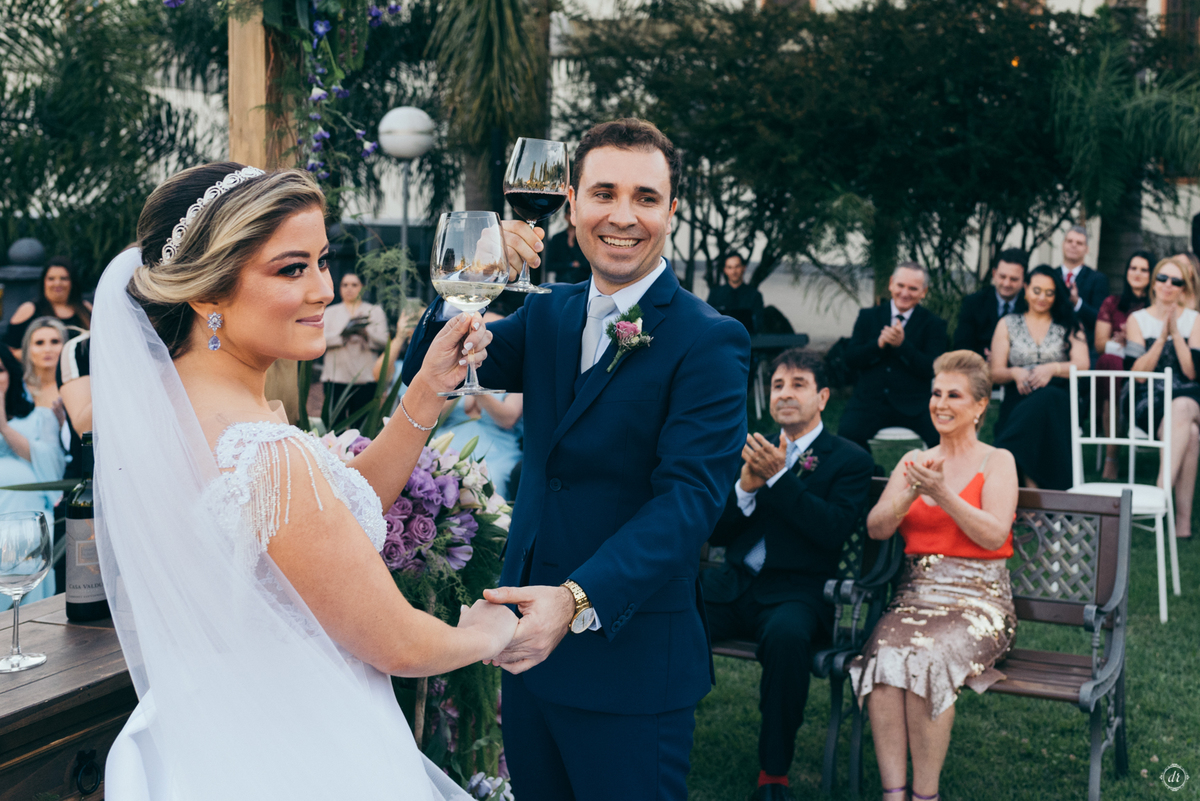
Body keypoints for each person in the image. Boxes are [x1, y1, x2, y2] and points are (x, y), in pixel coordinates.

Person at [91, 163, 518, 800]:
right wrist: (490, 631)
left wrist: (427, 389)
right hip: (304, 747)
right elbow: (398, 644)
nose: (323, 290)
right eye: (291, 269)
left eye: (322, 261)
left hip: (215, 734)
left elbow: (323, 523)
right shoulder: (264, 454)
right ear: (207, 293)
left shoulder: (173, 407)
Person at [403, 118, 751, 801]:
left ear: (672, 211)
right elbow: (433, 367)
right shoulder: (549, 313)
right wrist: (475, 278)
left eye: (646, 198)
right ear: (571, 203)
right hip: (527, 660)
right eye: (604, 193)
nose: (623, 216)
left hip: (631, 665)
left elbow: (688, 503)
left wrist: (574, 600)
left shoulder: (710, 340)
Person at [703, 349, 873, 801]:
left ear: (823, 397)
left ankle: (773, 772)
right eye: (778, 385)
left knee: (786, 638)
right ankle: (657, 724)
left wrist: (780, 479)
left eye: (798, 384)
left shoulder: (850, 460)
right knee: (671, 611)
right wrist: (745, 488)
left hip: (798, 593)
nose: (785, 394)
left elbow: (831, 531)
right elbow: (716, 533)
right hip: (735, 584)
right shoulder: (753, 448)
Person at [852, 350, 1019, 801]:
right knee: (884, 657)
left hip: (979, 602)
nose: (940, 404)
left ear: (980, 405)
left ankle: (926, 795)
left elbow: (994, 534)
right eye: (936, 393)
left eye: (953, 395)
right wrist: (910, 493)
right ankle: (894, 794)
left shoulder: (997, 461)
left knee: (928, 660)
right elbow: (876, 527)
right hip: (915, 598)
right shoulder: (915, 460)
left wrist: (943, 495)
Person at [990, 266, 1089, 489]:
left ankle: (1021, 475)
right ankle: (1033, 488)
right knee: (1029, 414)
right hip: (1019, 395)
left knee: (1047, 398)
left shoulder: (1069, 323)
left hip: (1058, 397)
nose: (1042, 298)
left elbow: (1083, 364)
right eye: (1036, 290)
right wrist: (1014, 372)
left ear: (1056, 295)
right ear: (1025, 289)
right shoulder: (1007, 323)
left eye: (1049, 293)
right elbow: (995, 372)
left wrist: (1053, 368)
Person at [1123, 255, 1200, 538]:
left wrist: (1176, 334)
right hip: (1149, 396)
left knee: (1182, 406)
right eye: (1162, 278)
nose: (1168, 285)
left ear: (1184, 287)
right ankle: (1182, 523)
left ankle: (1159, 493)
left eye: (1176, 281)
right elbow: (1137, 375)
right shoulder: (1137, 320)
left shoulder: (1195, 320)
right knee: (1192, 435)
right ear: (1153, 283)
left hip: (1187, 394)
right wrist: (1159, 339)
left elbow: (1191, 373)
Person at [839, 262, 948, 451]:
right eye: (900, 286)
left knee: (944, 438)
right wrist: (878, 345)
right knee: (847, 436)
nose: (905, 293)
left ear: (923, 292)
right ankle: (871, 469)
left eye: (913, 288)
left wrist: (902, 346)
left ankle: (927, 470)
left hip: (914, 405)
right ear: (891, 284)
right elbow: (850, 359)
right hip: (869, 403)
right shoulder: (868, 316)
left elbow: (932, 368)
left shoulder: (933, 324)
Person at [0, 344, 66, 611]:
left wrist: (4, 427)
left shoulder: (39, 417)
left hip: (26, 520)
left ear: (11, 374)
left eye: (0, 370)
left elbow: (53, 468)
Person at [1095, 251, 1153, 479]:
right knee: (1110, 363)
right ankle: (1112, 456)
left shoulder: (1156, 305)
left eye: (1144, 269)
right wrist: (1120, 342)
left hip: (1147, 368)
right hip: (1116, 366)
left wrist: (1135, 340)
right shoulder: (1112, 303)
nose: (1137, 273)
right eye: (1133, 268)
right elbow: (1100, 344)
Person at [322, 271, 389, 427]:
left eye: (354, 285)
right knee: (334, 425)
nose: (349, 289)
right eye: (345, 285)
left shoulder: (374, 311)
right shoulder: (330, 312)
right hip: (335, 377)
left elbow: (385, 341)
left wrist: (366, 334)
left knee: (362, 426)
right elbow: (320, 340)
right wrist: (343, 334)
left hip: (366, 377)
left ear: (362, 288)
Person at [4, 257, 92, 353]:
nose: (57, 283)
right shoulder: (29, 309)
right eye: (51, 279)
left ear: (72, 282)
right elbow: (10, 350)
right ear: (44, 282)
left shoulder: (85, 308)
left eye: (64, 278)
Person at [952, 249, 1027, 359]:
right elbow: (962, 345)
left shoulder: (1030, 305)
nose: (1007, 283)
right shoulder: (973, 303)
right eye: (1002, 277)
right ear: (994, 274)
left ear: (1024, 280)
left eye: (1014, 279)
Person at [1058, 225, 1108, 352]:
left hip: (1085, 347)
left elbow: (1099, 319)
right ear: (1063, 244)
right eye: (1069, 241)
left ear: (1087, 249)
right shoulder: (1052, 275)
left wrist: (1077, 303)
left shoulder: (1098, 279)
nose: (1073, 245)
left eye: (1079, 243)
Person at [707, 253, 765, 333]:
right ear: (725, 270)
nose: (734, 271)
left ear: (744, 268)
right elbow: (708, 321)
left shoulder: (755, 295)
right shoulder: (715, 294)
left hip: (748, 338)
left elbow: (758, 325)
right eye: (730, 267)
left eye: (737, 266)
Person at [22, 317, 67, 421]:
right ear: (28, 348)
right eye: (39, 343)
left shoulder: (75, 387)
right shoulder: (15, 387)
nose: (47, 349)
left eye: (55, 342)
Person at [544, 219, 591, 284]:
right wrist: (570, 264)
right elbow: (549, 266)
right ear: (566, 216)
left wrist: (572, 245)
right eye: (570, 214)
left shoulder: (586, 239)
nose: (573, 217)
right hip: (562, 283)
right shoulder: (557, 238)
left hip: (582, 284)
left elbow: (588, 265)